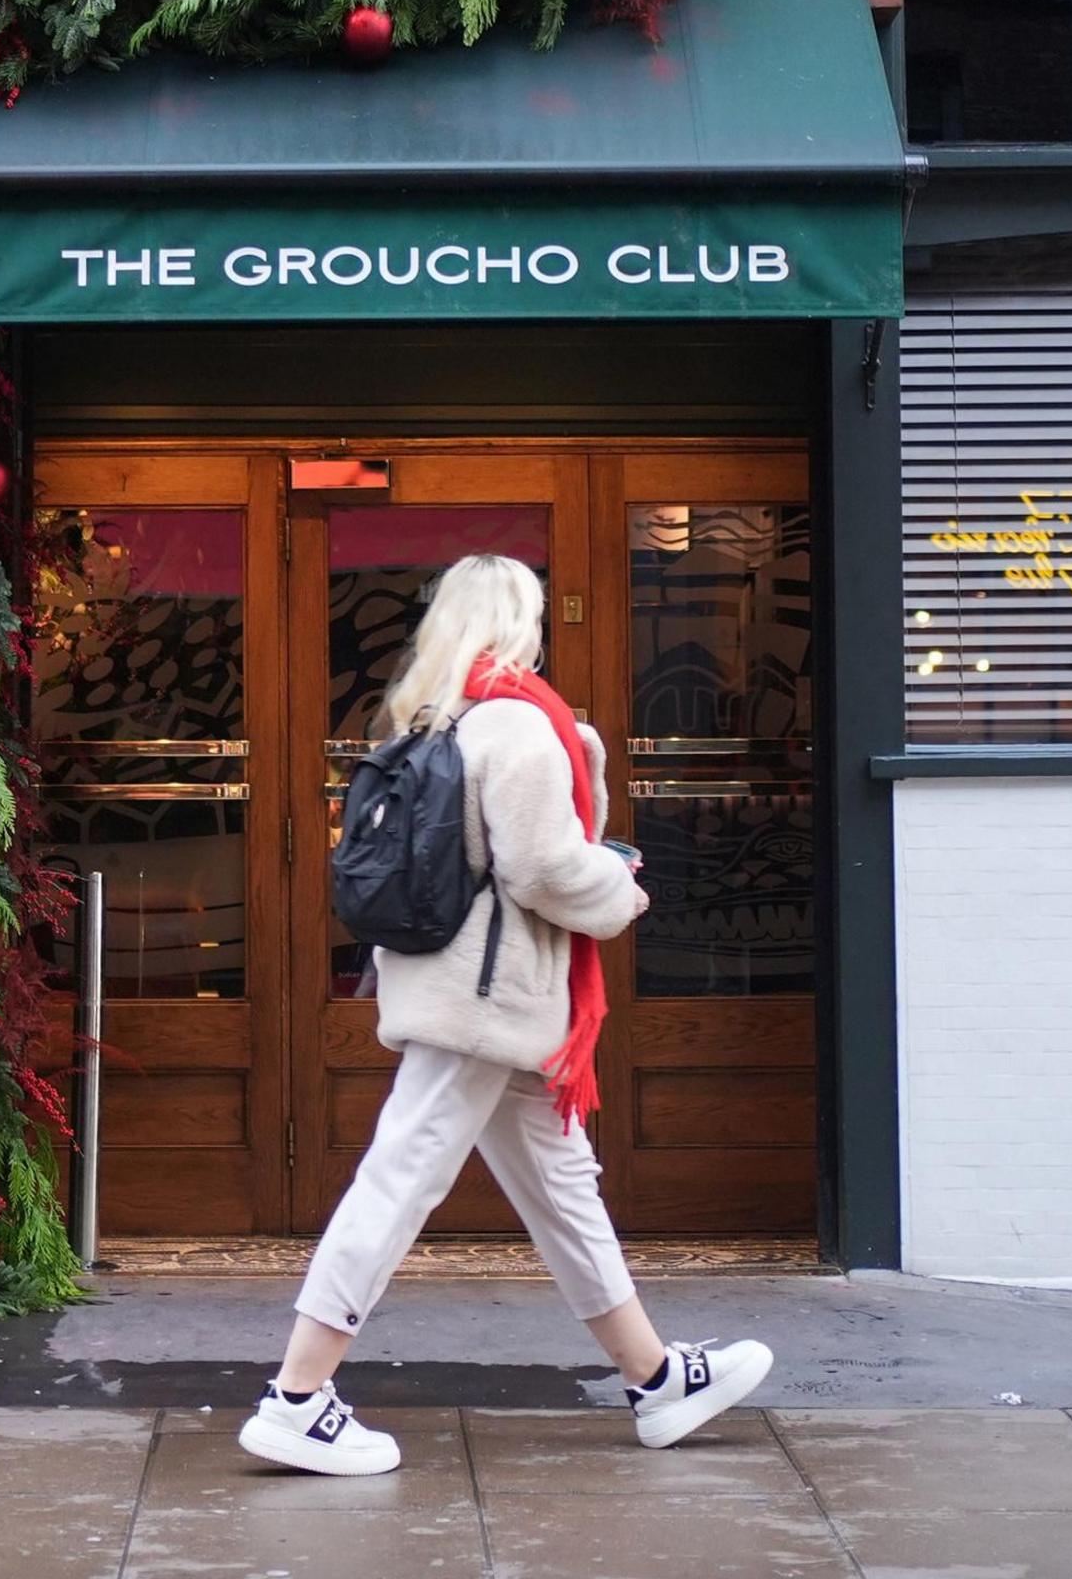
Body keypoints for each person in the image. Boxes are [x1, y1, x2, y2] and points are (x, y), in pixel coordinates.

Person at [238, 553, 776, 1476]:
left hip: (473, 994)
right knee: (399, 1179)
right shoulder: (520, 727)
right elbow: (544, 869)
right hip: (488, 1002)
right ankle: (296, 1397)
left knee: (564, 1193)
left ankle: (656, 1381)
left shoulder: (440, 717)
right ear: (522, 622)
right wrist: (621, 885)